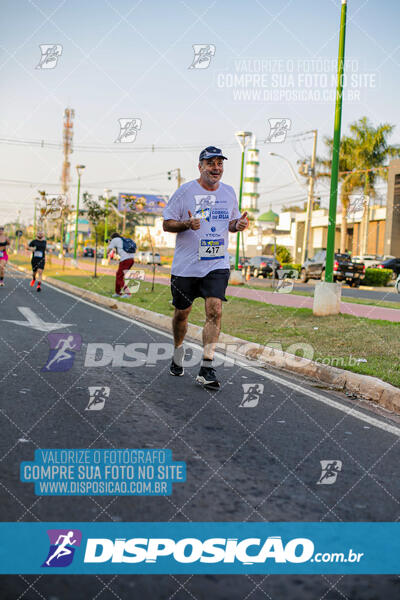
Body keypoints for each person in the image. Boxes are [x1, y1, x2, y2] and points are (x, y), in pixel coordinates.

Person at [163, 145, 248, 390]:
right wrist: (187, 224)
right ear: (200, 166)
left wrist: (238, 224)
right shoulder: (184, 192)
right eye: (211, 163)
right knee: (182, 314)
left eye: (220, 163)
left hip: (216, 263)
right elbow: (167, 224)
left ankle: (207, 367)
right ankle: (178, 351)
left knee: (215, 310)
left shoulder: (229, 192)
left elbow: (230, 223)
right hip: (186, 266)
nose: (216, 168)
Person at [107, 232, 136, 297]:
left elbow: (108, 251)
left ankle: (127, 293)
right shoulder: (123, 239)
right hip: (131, 260)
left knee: (119, 276)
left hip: (125, 260)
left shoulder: (115, 240)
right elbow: (119, 252)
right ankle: (117, 292)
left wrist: (110, 244)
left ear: (113, 238)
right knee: (119, 275)